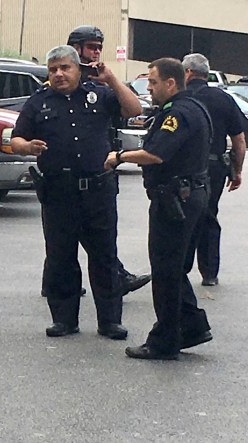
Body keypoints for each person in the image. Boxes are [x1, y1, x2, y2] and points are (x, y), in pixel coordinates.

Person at [10, 45, 142, 339]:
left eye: (64, 68)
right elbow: (15, 138)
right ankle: (65, 319)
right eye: (53, 69)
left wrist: (112, 80)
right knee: (61, 257)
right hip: (59, 192)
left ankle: (110, 321)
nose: (58, 74)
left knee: (104, 256)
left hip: (97, 189)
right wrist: (27, 147)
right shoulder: (39, 102)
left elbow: (134, 109)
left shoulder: (99, 94)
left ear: (78, 69)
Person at [104, 58, 213, 360]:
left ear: (171, 83)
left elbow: (155, 154)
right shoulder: (192, 106)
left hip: (176, 199)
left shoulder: (177, 114)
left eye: (152, 82)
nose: (149, 88)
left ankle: (164, 340)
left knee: (165, 270)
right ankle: (192, 326)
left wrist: (119, 156)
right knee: (174, 267)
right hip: (189, 195)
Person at [64, 25, 152, 297]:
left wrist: (112, 80)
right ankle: (62, 284)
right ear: (76, 49)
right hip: (65, 176)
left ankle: (115, 277)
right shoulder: (62, 80)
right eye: (91, 47)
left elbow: (135, 109)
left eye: (99, 47)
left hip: (99, 175)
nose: (97, 52)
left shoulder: (101, 84)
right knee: (64, 237)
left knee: (100, 237)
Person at [181, 53, 246, 287]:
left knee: (183, 216)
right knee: (209, 214)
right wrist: (237, 171)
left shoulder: (181, 98)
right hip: (215, 166)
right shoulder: (224, 98)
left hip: (185, 167)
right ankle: (209, 272)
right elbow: (239, 140)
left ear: (188, 72)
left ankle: (181, 268)